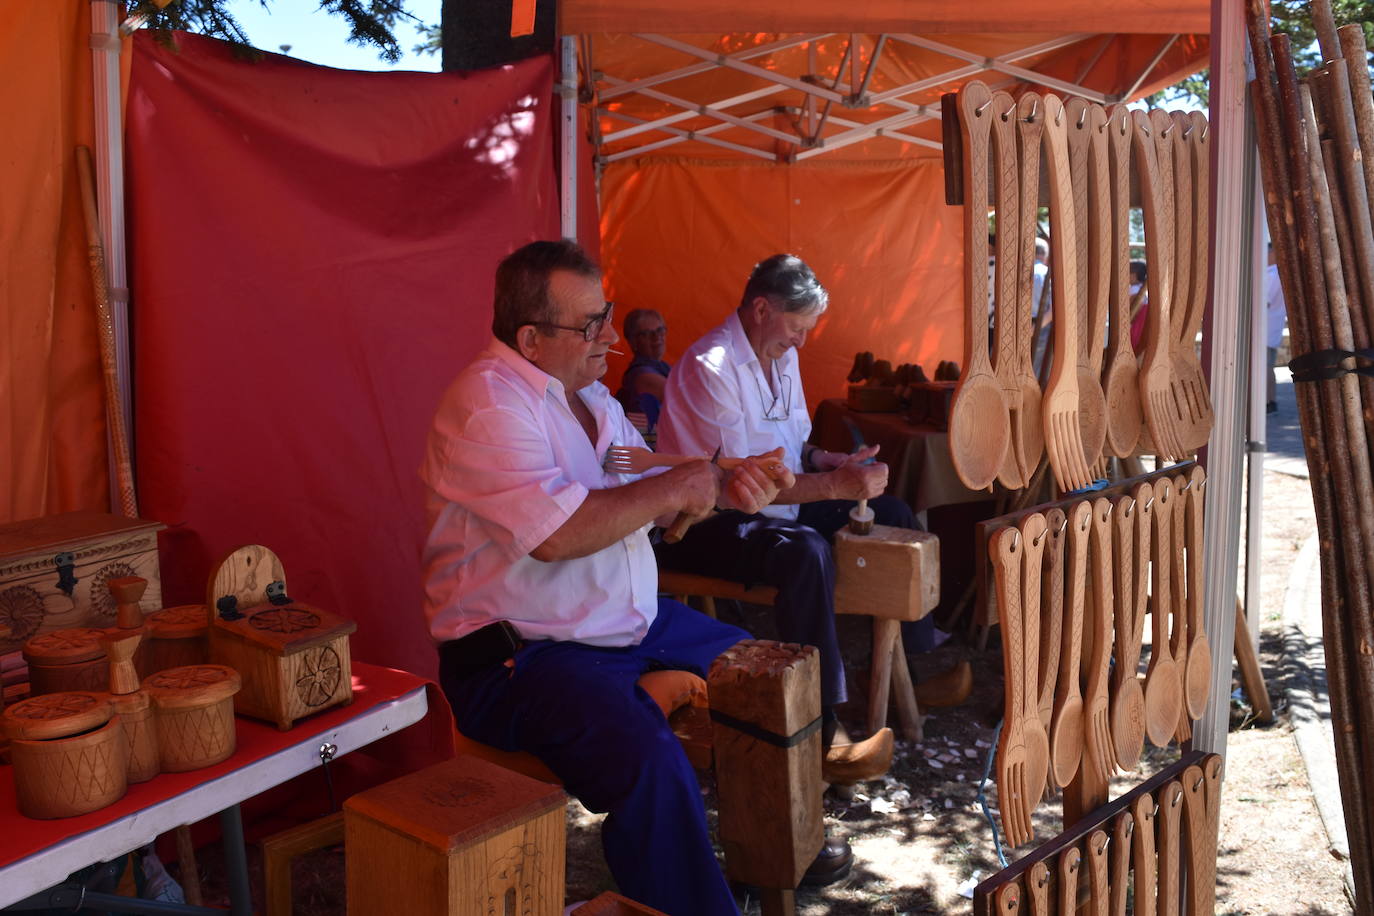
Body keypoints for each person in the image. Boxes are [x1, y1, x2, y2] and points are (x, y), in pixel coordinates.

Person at [419, 240, 794, 915]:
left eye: (607, 313)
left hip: (623, 626)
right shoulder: (488, 408)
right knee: (651, 767)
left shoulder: (588, 396)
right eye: (590, 324)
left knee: (771, 677)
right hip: (521, 659)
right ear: (531, 338)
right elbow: (558, 536)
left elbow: (633, 467)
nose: (611, 336)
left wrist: (720, 477)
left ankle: (770, 861)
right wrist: (678, 484)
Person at [655, 253, 924, 783]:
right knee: (804, 552)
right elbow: (741, 489)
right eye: (797, 327)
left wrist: (830, 463)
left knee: (893, 511)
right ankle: (821, 730)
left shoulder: (781, 355)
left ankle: (917, 665)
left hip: (776, 501)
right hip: (700, 523)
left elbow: (792, 449)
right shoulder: (711, 366)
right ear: (761, 308)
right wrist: (833, 486)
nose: (803, 340)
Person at [616, 308, 671, 432]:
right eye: (646, 334)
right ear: (633, 342)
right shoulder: (641, 375)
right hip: (650, 448)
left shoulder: (663, 367)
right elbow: (685, 399)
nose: (657, 337)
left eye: (660, 330)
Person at [1265, 243, 1286, 413]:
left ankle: (1267, 400)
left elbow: (1265, 302)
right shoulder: (1280, 275)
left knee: (1265, 366)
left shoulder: (1272, 275)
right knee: (1269, 366)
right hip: (1274, 326)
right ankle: (1270, 400)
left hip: (1265, 327)